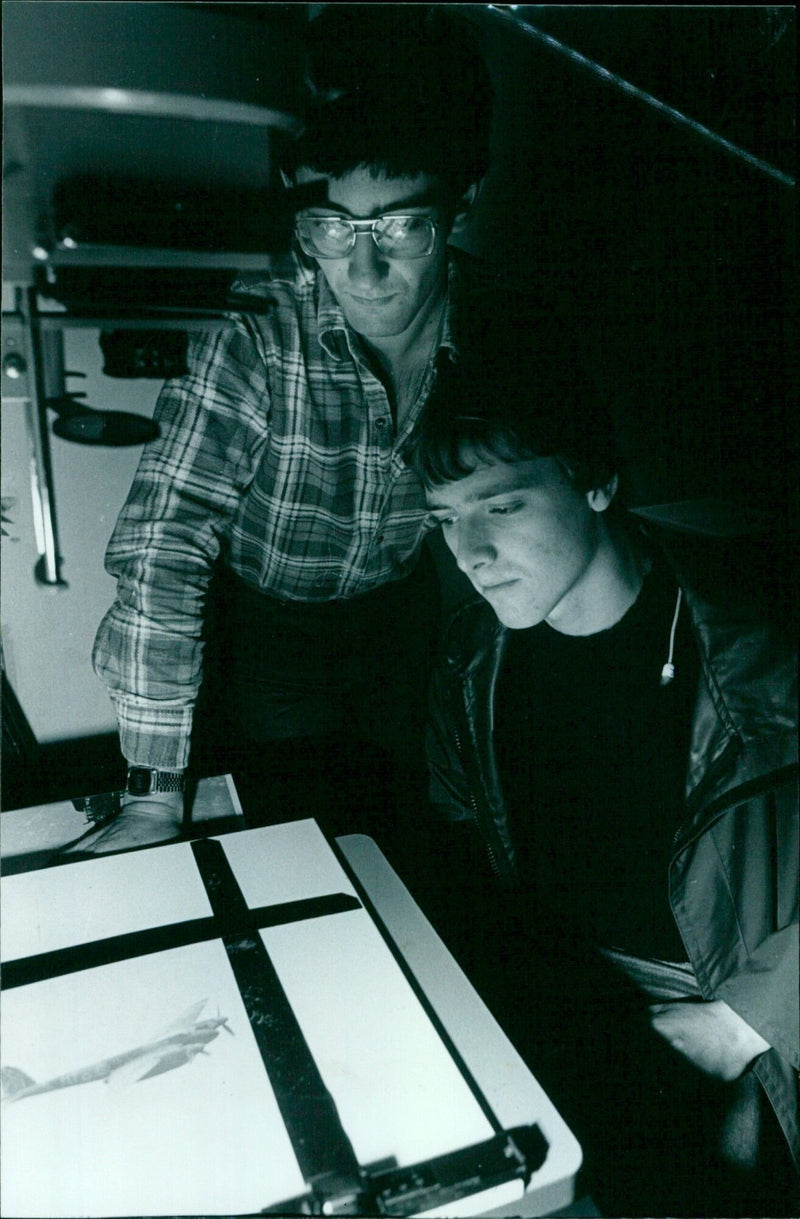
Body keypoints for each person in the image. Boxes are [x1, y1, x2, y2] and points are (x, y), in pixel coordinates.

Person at [405, 320, 799, 1217]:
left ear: (595, 481)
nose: (468, 552)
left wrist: (739, 1022)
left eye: (501, 506)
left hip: (733, 1017)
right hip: (569, 1010)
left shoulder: (761, 639)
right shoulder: (474, 661)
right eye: (444, 518)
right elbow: (468, 851)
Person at [86, 7, 497, 853]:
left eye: (402, 228)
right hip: (265, 622)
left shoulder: (500, 326)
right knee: (281, 830)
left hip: (399, 613)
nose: (365, 272)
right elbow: (166, 539)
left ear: (458, 208)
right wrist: (155, 792)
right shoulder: (254, 323)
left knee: (393, 833)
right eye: (333, 232)